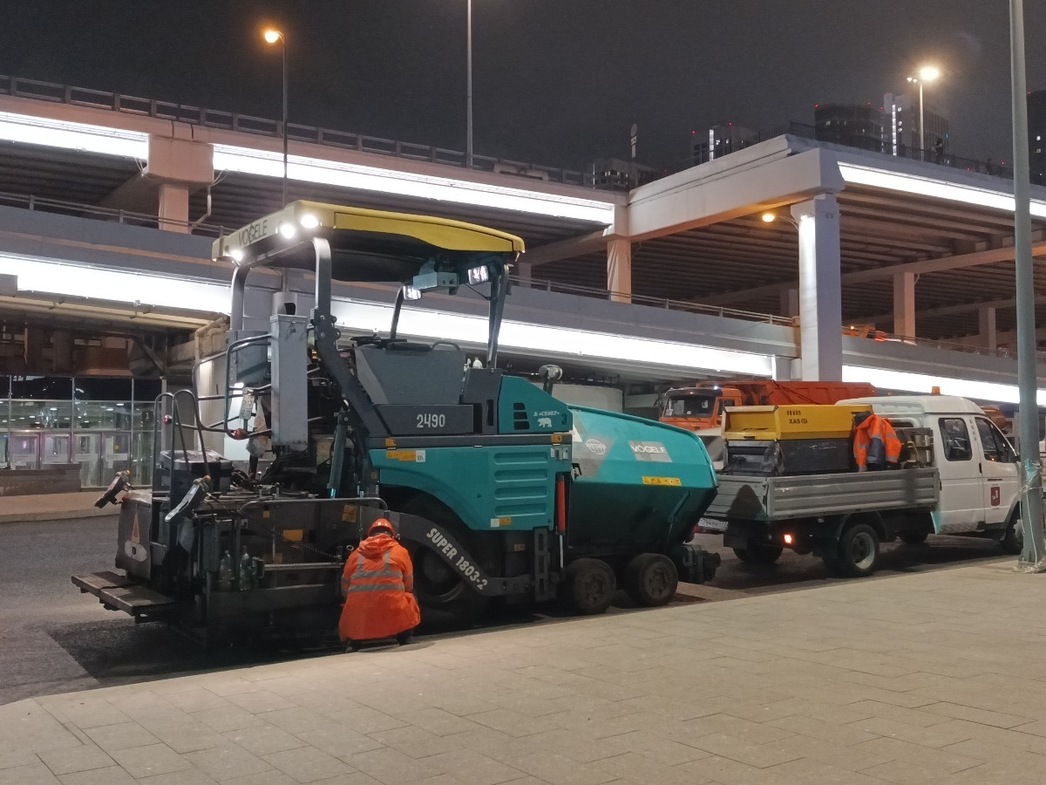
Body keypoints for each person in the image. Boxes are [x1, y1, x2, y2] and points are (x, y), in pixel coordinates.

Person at [339, 518, 421, 650]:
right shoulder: (401, 551)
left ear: (370, 534)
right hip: (392, 612)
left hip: (360, 618)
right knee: (410, 596)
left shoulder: (355, 555)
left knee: (350, 604)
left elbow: (344, 588)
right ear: (391, 535)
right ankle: (404, 637)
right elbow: (408, 585)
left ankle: (352, 643)